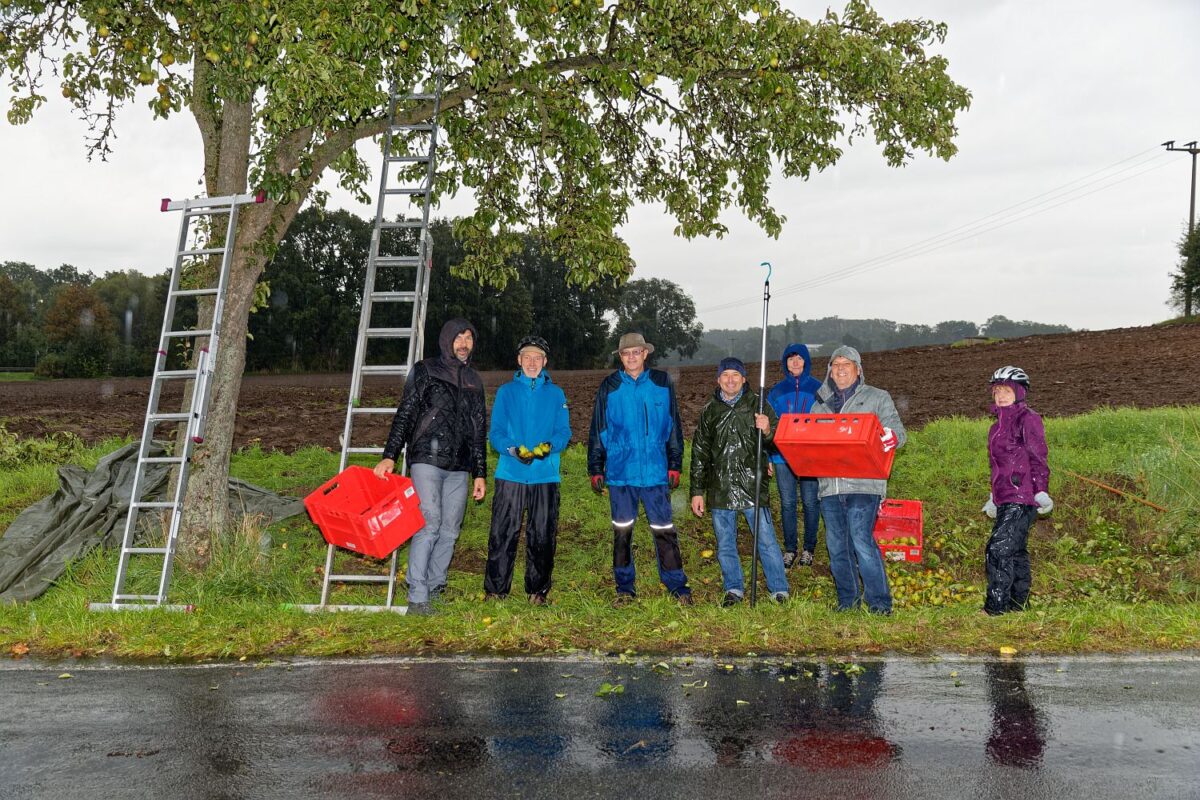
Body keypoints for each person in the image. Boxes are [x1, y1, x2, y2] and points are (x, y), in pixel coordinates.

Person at [374, 318, 488, 616]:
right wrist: (390, 455)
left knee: (450, 530)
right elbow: (406, 413)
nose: (464, 344)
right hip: (426, 459)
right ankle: (417, 596)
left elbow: (479, 429)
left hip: (460, 466)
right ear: (447, 340)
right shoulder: (425, 370)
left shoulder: (475, 380)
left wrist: (480, 473)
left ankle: (436, 588)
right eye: (458, 338)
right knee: (429, 524)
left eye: (469, 338)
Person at [587, 332, 693, 607]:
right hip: (621, 473)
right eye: (626, 353)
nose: (631, 357)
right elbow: (598, 428)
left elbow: (673, 426)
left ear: (645, 353)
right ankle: (624, 588)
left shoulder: (661, 382)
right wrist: (596, 466)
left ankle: (677, 586)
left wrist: (674, 463)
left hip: (656, 472)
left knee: (664, 530)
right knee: (622, 532)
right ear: (620, 357)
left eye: (636, 352)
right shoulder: (609, 386)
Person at [811, 345, 905, 615]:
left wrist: (892, 437)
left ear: (858, 370)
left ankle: (879, 604)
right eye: (835, 364)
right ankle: (847, 602)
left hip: (864, 483)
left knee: (861, 540)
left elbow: (897, 430)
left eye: (847, 364)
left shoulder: (877, 397)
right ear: (830, 370)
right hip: (830, 486)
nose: (840, 368)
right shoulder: (820, 405)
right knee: (836, 546)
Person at [690, 357, 790, 605]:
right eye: (726, 375)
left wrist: (767, 429)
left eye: (736, 375)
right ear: (718, 380)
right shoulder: (709, 411)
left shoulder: (759, 404)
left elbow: (778, 440)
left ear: (744, 379)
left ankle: (779, 589)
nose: (731, 379)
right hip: (720, 487)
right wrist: (697, 491)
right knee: (725, 543)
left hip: (752, 485)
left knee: (766, 540)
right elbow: (700, 453)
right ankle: (733, 588)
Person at [483, 336, 572, 605]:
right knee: (502, 532)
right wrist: (511, 449)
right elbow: (495, 433)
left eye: (537, 358)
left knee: (542, 533)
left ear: (545, 362)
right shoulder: (506, 392)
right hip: (511, 472)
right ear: (519, 360)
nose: (532, 363)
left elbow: (564, 431)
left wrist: (550, 447)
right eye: (527, 357)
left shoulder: (556, 394)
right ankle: (496, 590)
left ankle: (538, 590)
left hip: (545, 474)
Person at [981, 365, 1052, 616]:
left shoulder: (1028, 419)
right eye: (997, 390)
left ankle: (996, 608)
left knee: (998, 549)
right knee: (1016, 551)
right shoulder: (995, 428)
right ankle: (1018, 605)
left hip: (1022, 497)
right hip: (1004, 496)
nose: (1001, 395)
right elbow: (996, 466)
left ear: (1019, 392)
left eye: (1007, 390)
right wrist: (993, 496)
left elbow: (1038, 457)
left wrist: (1040, 489)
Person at [766, 343, 823, 568]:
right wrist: (769, 455)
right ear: (785, 363)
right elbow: (768, 426)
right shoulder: (777, 391)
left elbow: (826, 420)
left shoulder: (819, 388)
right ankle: (790, 549)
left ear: (806, 361)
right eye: (791, 359)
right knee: (788, 503)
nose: (795, 363)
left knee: (810, 502)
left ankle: (809, 549)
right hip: (782, 455)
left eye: (800, 358)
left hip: (810, 456)